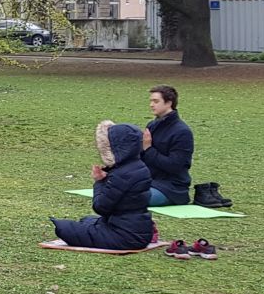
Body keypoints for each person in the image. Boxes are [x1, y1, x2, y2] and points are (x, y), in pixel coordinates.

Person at [51, 121, 155, 250]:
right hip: (138, 230)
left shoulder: (122, 174)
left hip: (126, 236)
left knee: (64, 228)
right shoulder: (139, 166)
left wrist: (99, 181)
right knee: (87, 220)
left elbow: (100, 207)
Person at [142, 85, 193, 206]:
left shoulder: (182, 132)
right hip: (149, 182)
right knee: (113, 191)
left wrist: (148, 149)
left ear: (169, 103)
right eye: (151, 101)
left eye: (156, 101)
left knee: (129, 199)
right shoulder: (152, 125)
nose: (151, 105)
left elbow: (175, 166)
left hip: (172, 188)